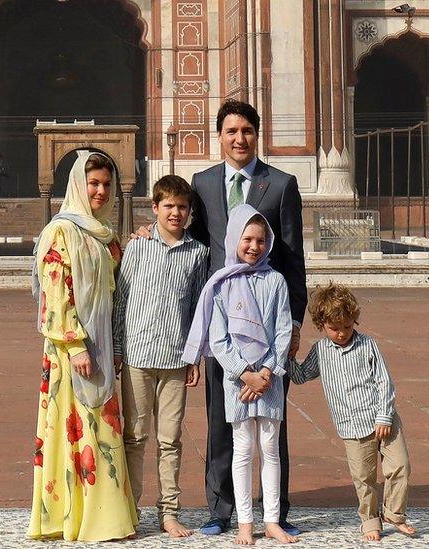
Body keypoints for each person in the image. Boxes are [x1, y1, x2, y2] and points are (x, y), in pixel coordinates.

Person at [190, 99, 306, 537]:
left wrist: (295, 321)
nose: (239, 139)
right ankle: (222, 508)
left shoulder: (280, 185)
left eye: (247, 131)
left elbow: (293, 256)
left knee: (273, 422)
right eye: (231, 131)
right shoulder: (202, 184)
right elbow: (192, 243)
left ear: (257, 135)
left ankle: (276, 509)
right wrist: (148, 231)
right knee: (222, 416)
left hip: (270, 317)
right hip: (225, 320)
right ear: (219, 136)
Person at [28, 151, 137, 542]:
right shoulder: (61, 231)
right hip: (70, 349)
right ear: (78, 185)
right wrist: (75, 345)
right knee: (76, 429)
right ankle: (76, 518)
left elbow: (119, 288)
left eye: (106, 184)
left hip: (103, 346)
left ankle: (104, 516)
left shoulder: (104, 234)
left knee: (103, 429)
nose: (101, 190)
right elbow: (56, 291)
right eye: (93, 183)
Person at [182, 205, 297, 545]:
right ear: (234, 239)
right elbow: (218, 339)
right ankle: (246, 521)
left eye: (261, 240)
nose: (254, 247)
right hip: (237, 380)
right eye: (247, 239)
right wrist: (245, 374)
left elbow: (283, 331)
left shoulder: (276, 280)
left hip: (270, 379)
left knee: (270, 448)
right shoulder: (221, 284)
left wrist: (267, 372)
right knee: (243, 448)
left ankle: (272, 519)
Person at [113, 175, 209, 538]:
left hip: (174, 359)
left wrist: (195, 357)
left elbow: (198, 309)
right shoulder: (136, 247)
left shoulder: (197, 253)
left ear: (189, 212)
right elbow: (121, 301)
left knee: (170, 441)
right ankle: (131, 508)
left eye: (182, 207)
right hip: (138, 355)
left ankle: (169, 511)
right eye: (168, 205)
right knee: (135, 437)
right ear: (154, 208)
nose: (175, 212)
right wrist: (119, 349)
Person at [289, 283, 416, 541]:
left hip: (384, 420)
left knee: (400, 465)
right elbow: (301, 376)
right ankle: (370, 520)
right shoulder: (321, 351)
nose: (342, 333)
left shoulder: (367, 345)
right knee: (363, 477)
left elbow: (384, 381)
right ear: (322, 325)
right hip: (351, 426)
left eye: (347, 326)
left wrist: (384, 415)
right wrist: (287, 358)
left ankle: (393, 512)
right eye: (334, 328)